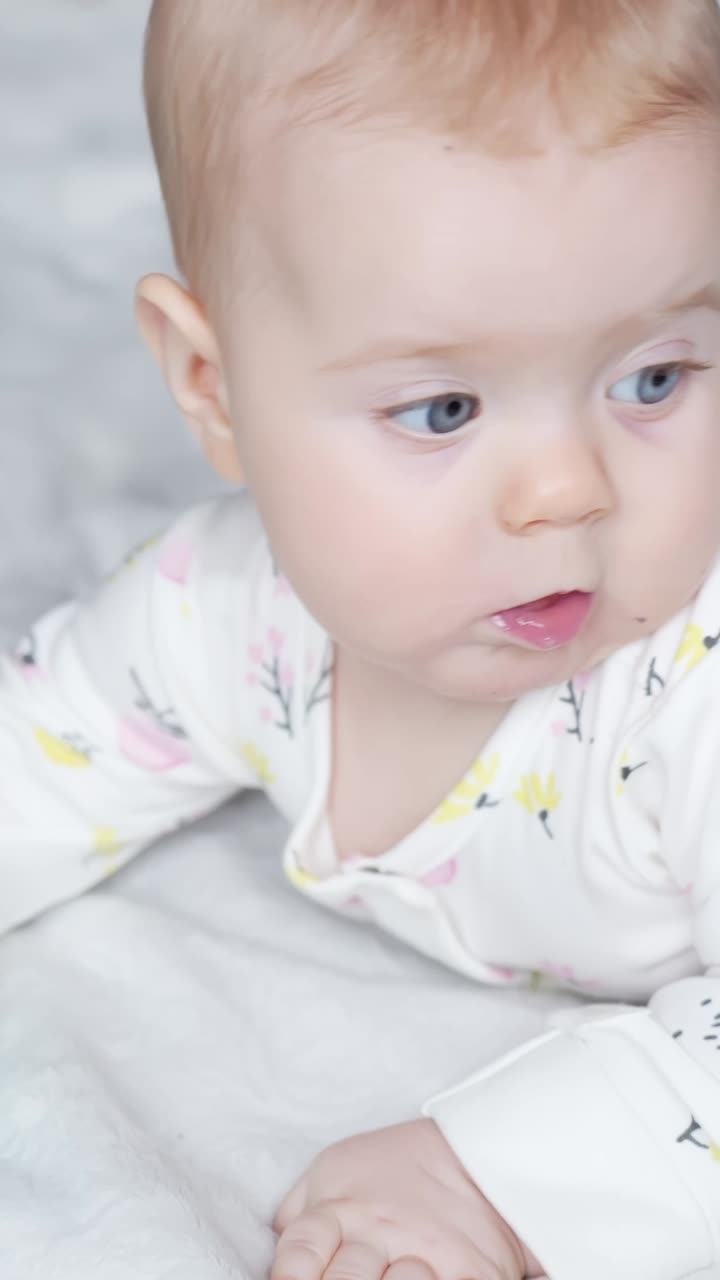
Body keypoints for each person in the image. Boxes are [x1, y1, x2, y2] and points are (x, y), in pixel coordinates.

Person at [4, 0, 720, 1274]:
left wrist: (494, 1181)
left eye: (654, 377)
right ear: (211, 388)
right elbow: (44, 750)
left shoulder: (690, 695)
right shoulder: (225, 612)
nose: (567, 490)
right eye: (443, 407)